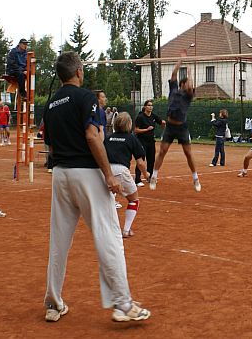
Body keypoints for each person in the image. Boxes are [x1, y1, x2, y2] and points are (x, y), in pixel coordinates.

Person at [43, 52, 150, 323]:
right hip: (87, 174)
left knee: (58, 243)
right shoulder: (85, 97)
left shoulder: (51, 103)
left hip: (60, 174)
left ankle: (53, 304)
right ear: (79, 71)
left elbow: (50, 143)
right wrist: (108, 175)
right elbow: (92, 136)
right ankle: (123, 305)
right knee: (109, 237)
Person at [149, 51, 201, 192]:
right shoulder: (174, 89)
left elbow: (191, 86)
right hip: (170, 127)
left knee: (188, 153)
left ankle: (195, 178)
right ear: (181, 84)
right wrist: (180, 60)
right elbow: (173, 75)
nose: (189, 84)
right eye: (186, 82)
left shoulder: (189, 94)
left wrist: (190, 72)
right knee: (162, 151)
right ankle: (154, 176)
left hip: (182, 127)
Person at [104, 112, 149, 237]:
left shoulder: (108, 138)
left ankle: (108, 230)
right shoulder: (131, 138)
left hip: (105, 171)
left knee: (107, 201)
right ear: (129, 124)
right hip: (120, 171)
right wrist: (146, 174)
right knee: (133, 199)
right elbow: (140, 162)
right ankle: (126, 230)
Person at [134, 99, 165, 186]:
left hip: (151, 141)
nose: (150, 107)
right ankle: (137, 180)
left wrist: (163, 124)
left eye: (151, 105)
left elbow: (161, 123)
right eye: (149, 105)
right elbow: (136, 130)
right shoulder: (140, 117)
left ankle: (150, 177)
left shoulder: (153, 116)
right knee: (141, 159)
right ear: (145, 107)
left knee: (151, 159)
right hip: (141, 140)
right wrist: (146, 130)